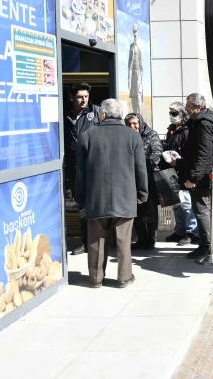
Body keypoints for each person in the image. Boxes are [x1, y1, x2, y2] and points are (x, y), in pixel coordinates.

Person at [76, 99, 147, 288]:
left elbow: (80, 172)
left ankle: (96, 278)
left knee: (96, 241)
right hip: (125, 197)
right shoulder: (133, 136)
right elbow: (140, 168)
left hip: (96, 198)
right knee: (124, 241)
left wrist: (80, 198)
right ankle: (124, 277)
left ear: (103, 114)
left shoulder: (87, 136)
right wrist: (142, 193)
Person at [178, 93, 213, 261]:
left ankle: (208, 246)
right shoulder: (201, 122)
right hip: (205, 175)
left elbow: (204, 155)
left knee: (202, 211)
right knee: (205, 210)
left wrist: (193, 177)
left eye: (189, 106)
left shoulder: (203, 123)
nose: (186, 109)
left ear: (198, 107)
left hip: (204, 177)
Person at [64, 82, 100, 256]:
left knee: (95, 205)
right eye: (80, 97)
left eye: (86, 96)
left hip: (94, 167)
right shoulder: (64, 114)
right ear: (73, 97)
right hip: (73, 169)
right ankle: (85, 241)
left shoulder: (97, 113)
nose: (84, 100)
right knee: (81, 206)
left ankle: (97, 240)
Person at [125, 113, 163, 249]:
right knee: (136, 210)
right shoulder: (126, 136)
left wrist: (142, 167)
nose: (132, 126)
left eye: (135, 123)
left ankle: (151, 238)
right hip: (132, 179)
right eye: (129, 124)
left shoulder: (151, 135)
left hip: (149, 178)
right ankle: (141, 238)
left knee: (150, 209)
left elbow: (156, 154)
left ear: (140, 122)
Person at [162, 102, 197, 245]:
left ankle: (192, 232)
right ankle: (180, 230)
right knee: (176, 203)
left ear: (183, 114)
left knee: (187, 204)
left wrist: (180, 161)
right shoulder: (171, 130)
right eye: (170, 113)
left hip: (184, 170)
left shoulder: (187, 130)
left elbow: (190, 152)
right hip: (172, 171)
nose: (171, 116)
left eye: (174, 113)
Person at [127, 24, 143, 113]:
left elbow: (141, 61)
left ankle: (139, 112)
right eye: (134, 33)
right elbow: (129, 60)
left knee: (138, 91)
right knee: (133, 92)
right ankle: (134, 112)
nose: (135, 35)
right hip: (132, 71)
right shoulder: (131, 46)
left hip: (138, 71)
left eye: (136, 33)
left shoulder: (139, 46)